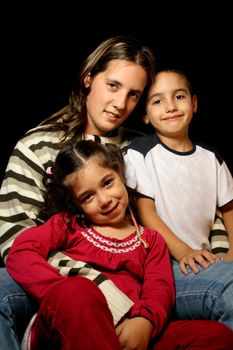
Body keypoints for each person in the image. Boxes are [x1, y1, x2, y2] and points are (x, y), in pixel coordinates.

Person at [0, 35, 156, 349]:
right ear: (88, 78)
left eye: (133, 94)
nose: (120, 104)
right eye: (113, 85)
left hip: (142, 271)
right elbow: (15, 237)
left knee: (227, 281)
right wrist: (96, 285)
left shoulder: (143, 149)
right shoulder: (35, 146)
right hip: (58, 276)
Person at [6, 140, 233, 349]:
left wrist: (145, 320)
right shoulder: (69, 225)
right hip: (70, 327)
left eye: (107, 183)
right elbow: (21, 252)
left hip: (127, 330)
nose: (105, 200)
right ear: (76, 204)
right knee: (79, 291)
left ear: (120, 174)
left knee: (216, 335)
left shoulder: (150, 240)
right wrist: (62, 291)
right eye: (88, 197)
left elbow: (159, 287)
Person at [124, 69, 233, 331]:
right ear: (145, 116)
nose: (171, 106)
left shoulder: (211, 157)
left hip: (204, 261)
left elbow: (229, 208)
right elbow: (146, 213)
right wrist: (184, 252)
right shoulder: (139, 154)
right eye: (157, 101)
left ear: (194, 104)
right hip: (163, 266)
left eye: (179, 96)